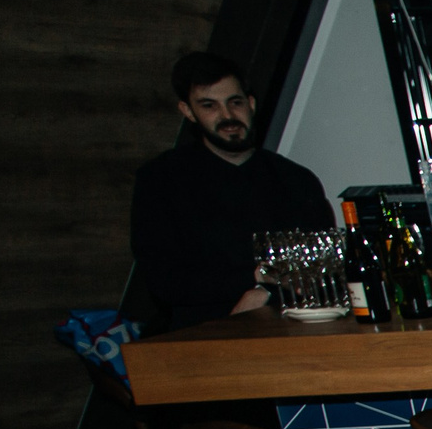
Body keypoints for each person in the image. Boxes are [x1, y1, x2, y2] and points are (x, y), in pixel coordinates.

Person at [129, 51, 335, 333]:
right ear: (188, 111)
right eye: (209, 106)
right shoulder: (161, 180)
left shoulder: (295, 180)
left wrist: (264, 293)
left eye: (235, 103)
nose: (227, 116)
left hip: (292, 330)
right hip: (199, 335)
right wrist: (256, 280)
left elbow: (323, 267)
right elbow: (164, 281)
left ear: (251, 104)